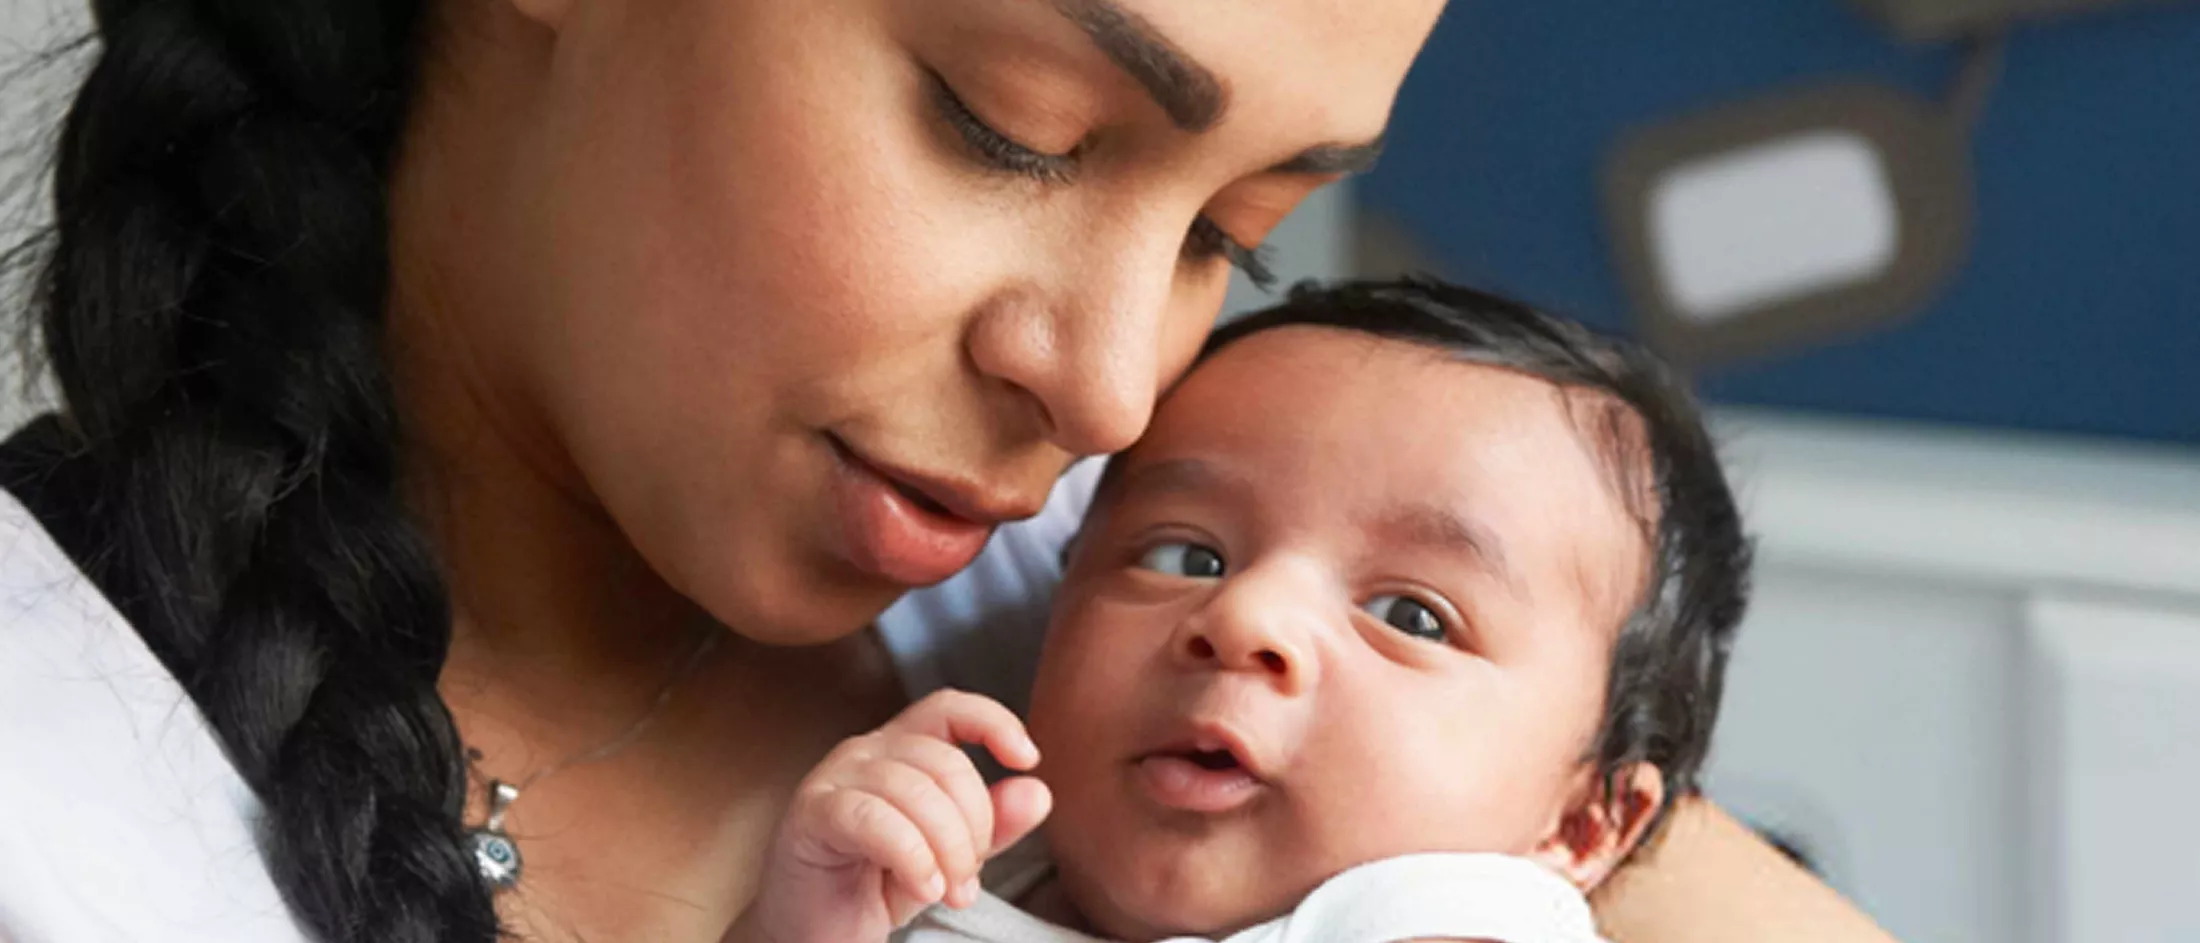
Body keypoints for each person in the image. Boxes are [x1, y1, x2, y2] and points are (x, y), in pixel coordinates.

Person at [0, 2, 1897, 943]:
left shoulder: (1133, 581)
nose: (1104, 384)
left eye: (1233, 235)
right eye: (1014, 127)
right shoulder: (57, 791)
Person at [737, 280, 1748, 943]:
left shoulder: (1442, 915)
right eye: (1187, 554)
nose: (1246, 616)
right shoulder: (947, 871)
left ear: (1577, 822)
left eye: (1413, 615)